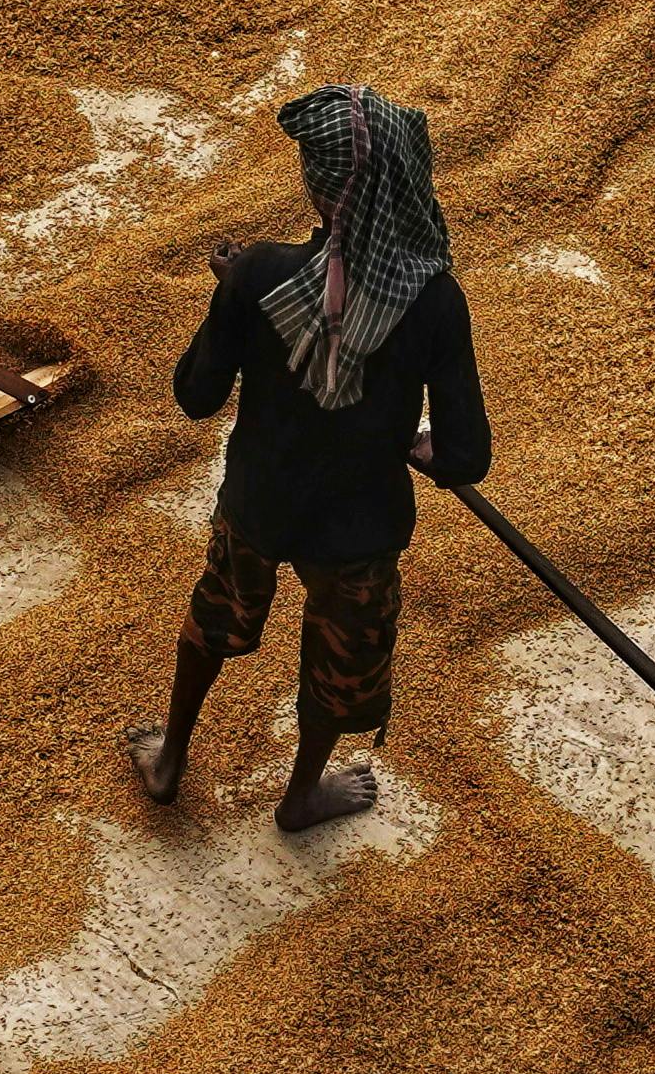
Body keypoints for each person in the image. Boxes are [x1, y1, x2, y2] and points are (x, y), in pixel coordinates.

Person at [138, 85, 493, 833]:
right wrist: (418, 447)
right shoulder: (433, 301)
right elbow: (465, 457)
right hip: (357, 534)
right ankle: (300, 797)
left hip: (258, 506)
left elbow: (194, 396)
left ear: (315, 187)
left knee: (216, 618)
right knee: (342, 665)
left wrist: (231, 298)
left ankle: (170, 757)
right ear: (407, 181)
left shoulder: (260, 274)